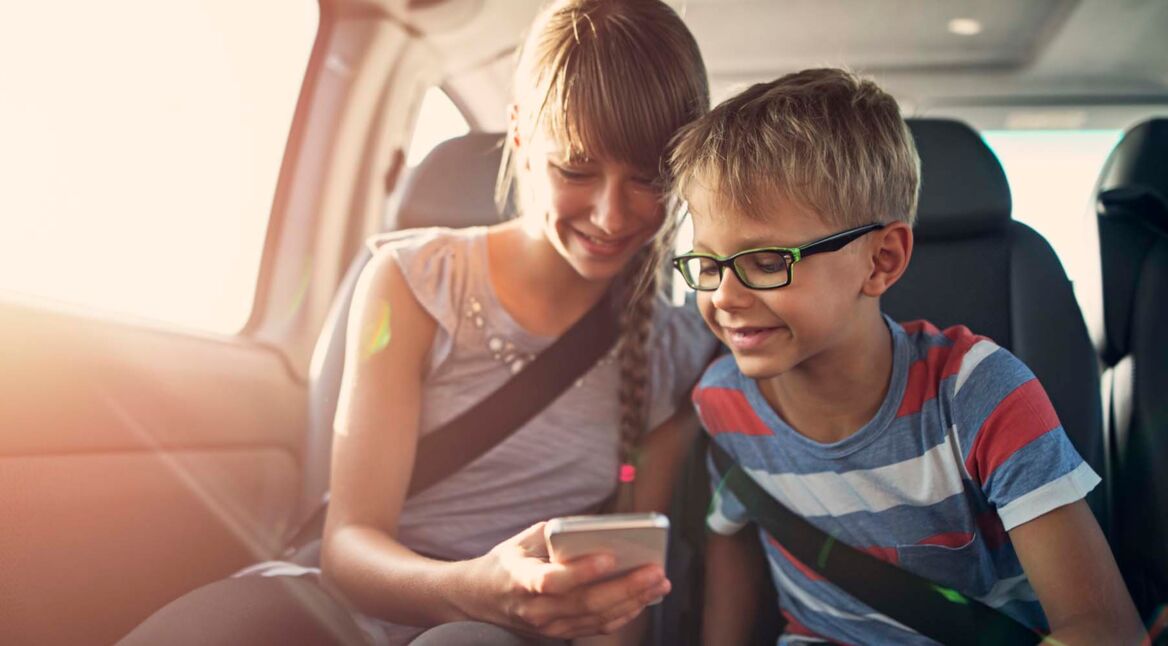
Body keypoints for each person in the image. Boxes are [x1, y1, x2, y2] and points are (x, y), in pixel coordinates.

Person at [119, 1, 713, 645]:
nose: (611, 213)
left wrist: (514, 611)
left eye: (648, 179)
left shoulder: (674, 351)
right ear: (518, 134)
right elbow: (348, 547)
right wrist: (477, 588)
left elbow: (622, 594)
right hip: (339, 607)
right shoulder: (416, 281)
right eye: (576, 169)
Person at [666, 68, 1146, 645]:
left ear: (881, 261)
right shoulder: (722, 404)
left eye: (767, 262)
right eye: (707, 265)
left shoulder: (979, 397)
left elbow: (1104, 629)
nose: (722, 296)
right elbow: (731, 606)